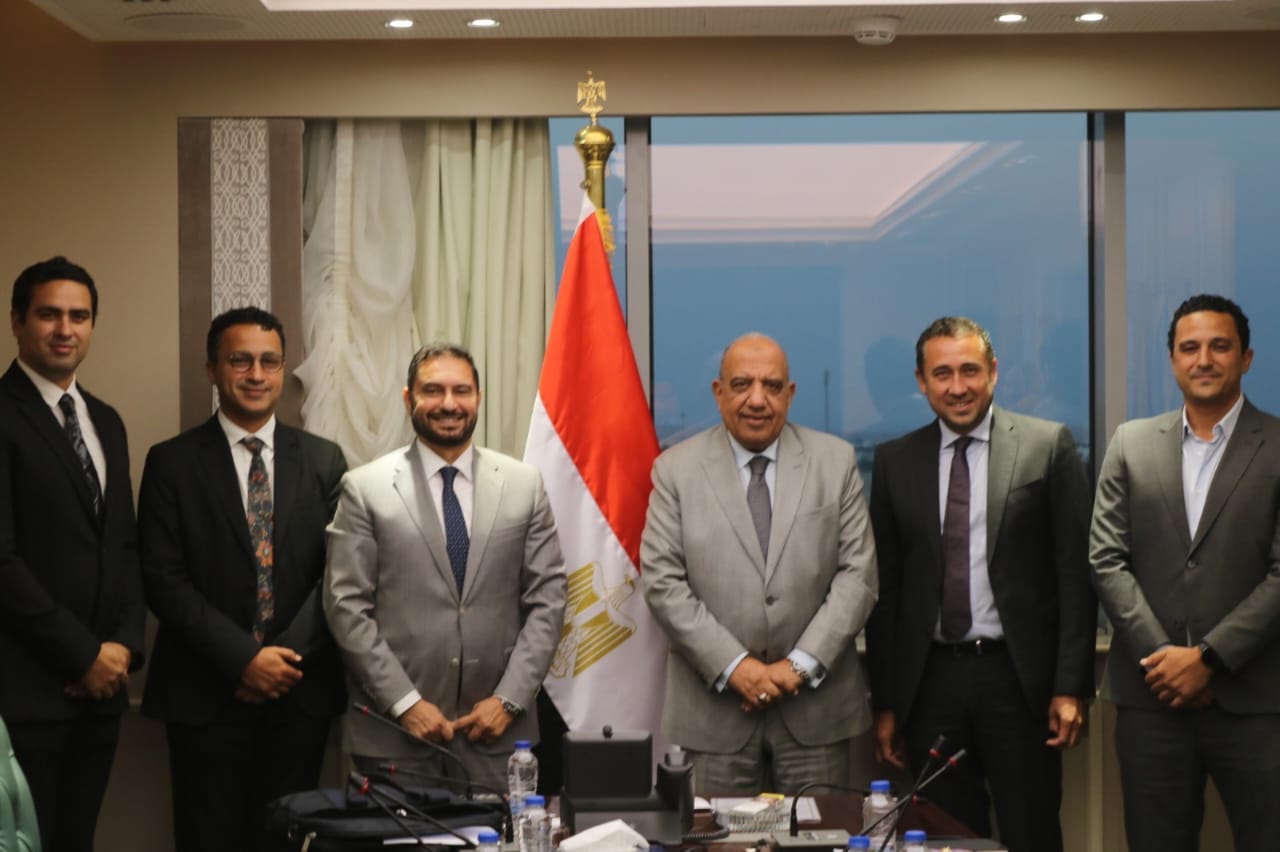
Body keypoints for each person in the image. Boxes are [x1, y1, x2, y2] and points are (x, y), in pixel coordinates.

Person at [865, 316, 1095, 852]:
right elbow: (885, 592)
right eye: (942, 374)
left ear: (993, 371)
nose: (957, 386)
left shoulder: (1046, 445)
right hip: (930, 685)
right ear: (922, 382)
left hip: (1019, 682)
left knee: (1032, 832)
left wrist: (1070, 686)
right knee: (946, 836)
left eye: (970, 370)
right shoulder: (895, 461)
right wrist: (887, 703)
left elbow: (1075, 576)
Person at [137, 307, 347, 852]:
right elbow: (162, 578)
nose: (256, 374)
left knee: (288, 841)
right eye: (240, 360)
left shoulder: (325, 461)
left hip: (298, 694)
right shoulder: (171, 462)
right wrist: (243, 659)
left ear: (283, 370)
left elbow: (340, 576)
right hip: (204, 693)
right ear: (212, 369)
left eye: (269, 361)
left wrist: (282, 661)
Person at [641, 332, 877, 794]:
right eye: (741, 384)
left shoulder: (835, 462)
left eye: (771, 386)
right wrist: (737, 668)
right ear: (718, 392)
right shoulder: (675, 470)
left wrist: (798, 666)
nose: (756, 399)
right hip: (714, 715)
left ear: (790, 394)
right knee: (713, 834)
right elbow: (663, 583)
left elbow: (859, 575)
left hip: (815, 713)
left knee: (820, 833)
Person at [324, 343, 566, 790]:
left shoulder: (524, 485)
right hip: (394, 738)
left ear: (478, 398)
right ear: (407, 398)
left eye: (462, 391)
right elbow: (345, 608)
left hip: (498, 738)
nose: (449, 404)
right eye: (433, 390)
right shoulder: (364, 489)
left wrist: (508, 700)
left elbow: (548, 601)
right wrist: (405, 703)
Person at [1091, 294, 1280, 852]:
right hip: (1152, 699)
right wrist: (1164, 660)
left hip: (1256, 699)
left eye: (1220, 346)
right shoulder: (1130, 443)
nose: (1204, 359)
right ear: (1173, 359)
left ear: (1246, 358)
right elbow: (1106, 558)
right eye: (1189, 347)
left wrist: (1209, 659)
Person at [0, 256, 146, 852]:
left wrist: (122, 650)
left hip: (101, 695)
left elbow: (124, 546)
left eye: (79, 316)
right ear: (17, 321)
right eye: (49, 315)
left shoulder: (106, 420)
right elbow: (2, 561)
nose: (66, 329)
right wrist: (81, 655)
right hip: (25, 693)